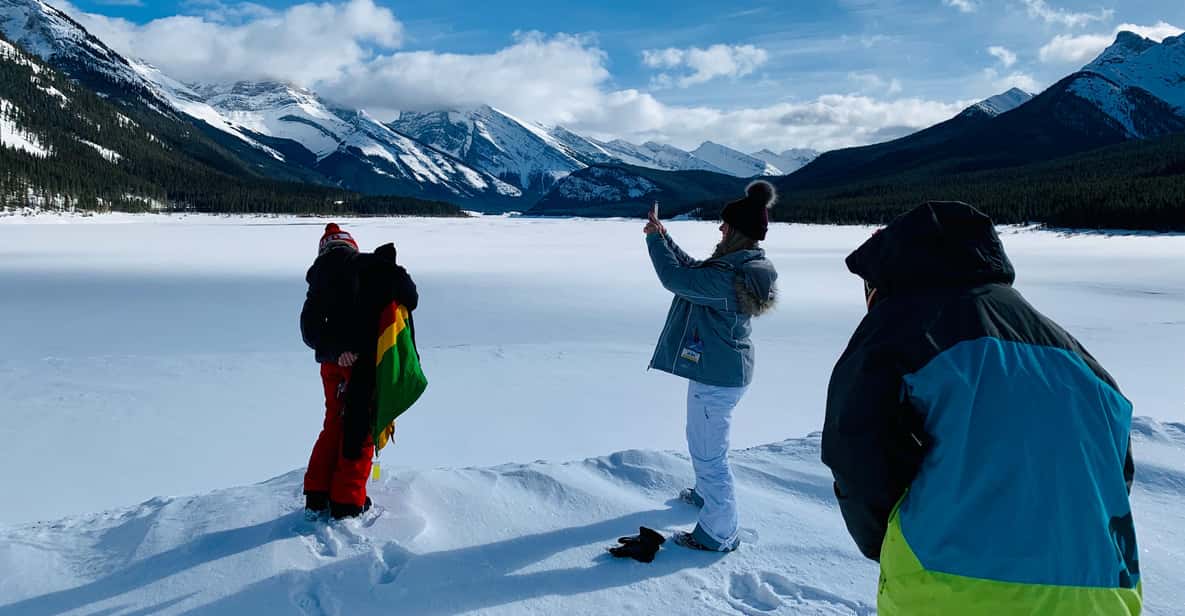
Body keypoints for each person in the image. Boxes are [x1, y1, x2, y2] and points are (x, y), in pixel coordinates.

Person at [822, 202, 1140, 615]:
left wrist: (888, 542)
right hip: (1104, 594)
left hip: (954, 588)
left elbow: (857, 447)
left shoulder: (897, 330)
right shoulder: (1078, 358)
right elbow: (1117, 474)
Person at [643, 181, 779, 552]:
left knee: (709, 453)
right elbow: (692, 270)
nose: (719, 229)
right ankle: (706, 494)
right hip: (722, 370)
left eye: (725, 225)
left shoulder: (730, 278)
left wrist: (654, 241)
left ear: (737, 232)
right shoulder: (741, 267)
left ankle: (719, 532)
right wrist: (665, 237)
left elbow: (679, 279)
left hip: (718, 376)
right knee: (704, 441)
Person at [300, 223, 418, 520]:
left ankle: (316, 495)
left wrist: (335, 352)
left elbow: (309, 329)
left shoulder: (318, 279)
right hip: (362, 364)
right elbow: (411, 296)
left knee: (333, 425)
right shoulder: (369, 264)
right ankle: (347, 502)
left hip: (331, 366)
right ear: (350, 245)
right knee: (360, 428)